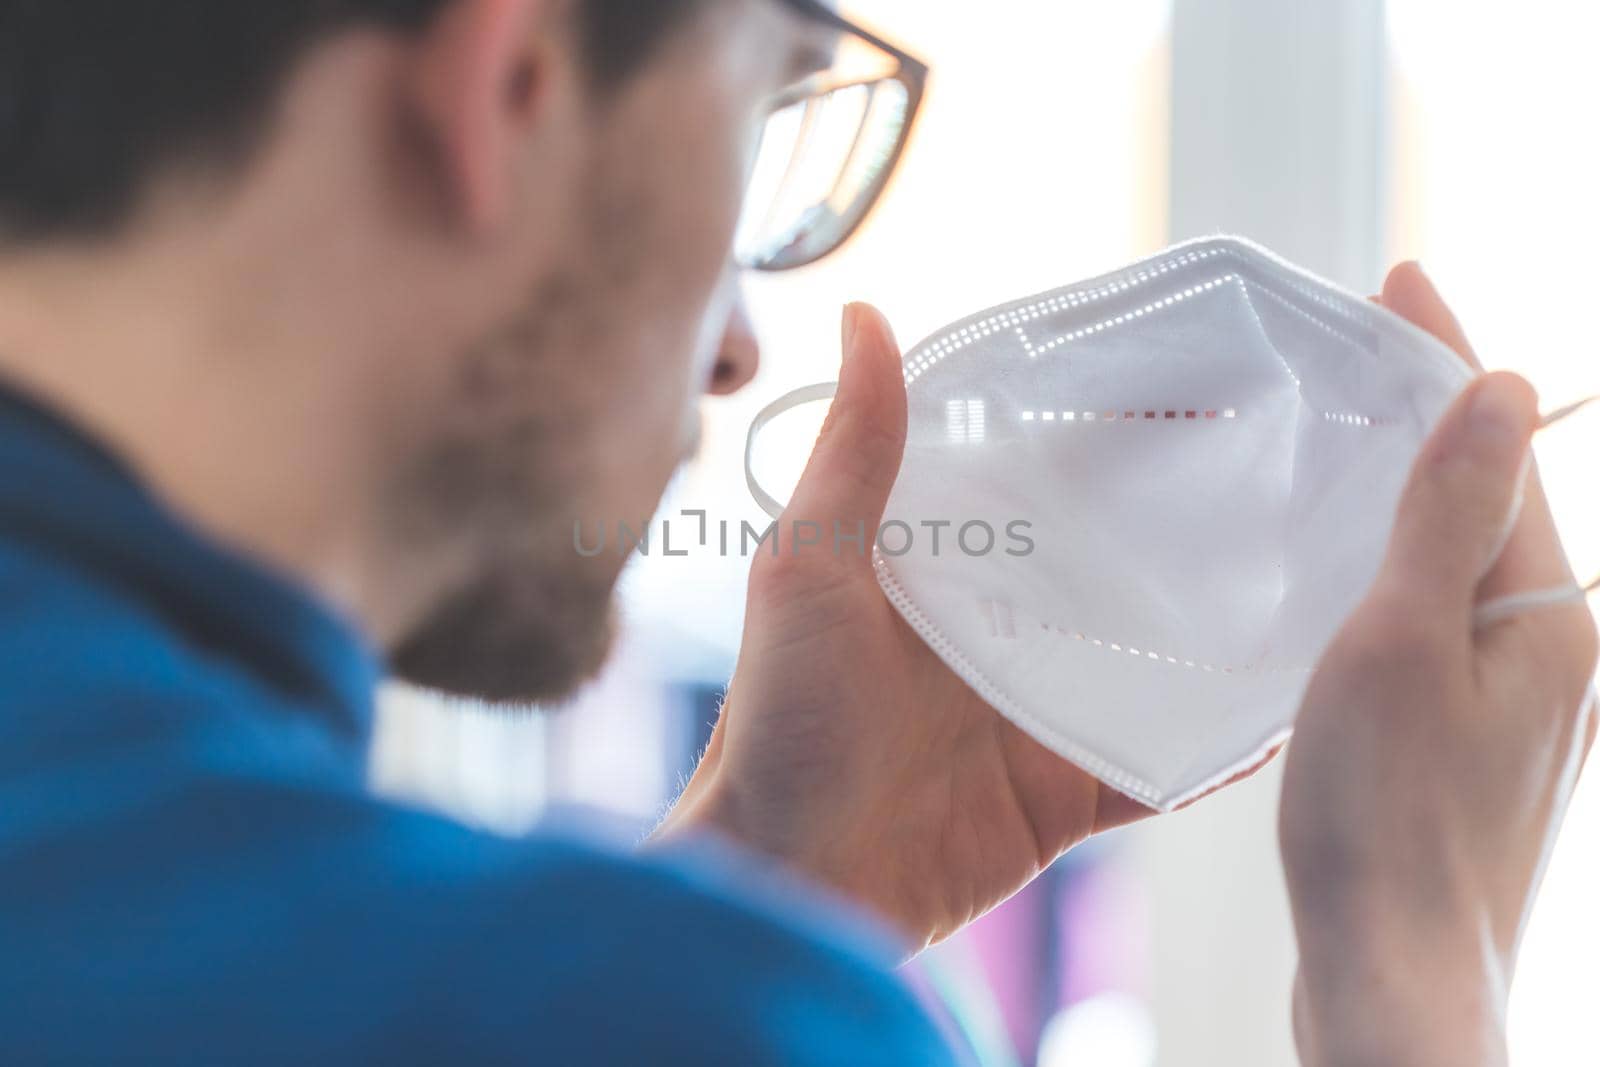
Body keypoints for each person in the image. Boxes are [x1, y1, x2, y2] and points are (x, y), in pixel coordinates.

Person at [0, 1, 1592, 1063]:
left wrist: (771, 868)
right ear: (513, 84)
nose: (740, 343)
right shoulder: (700, 1024)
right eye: (763, 125)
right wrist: (1416, 968)